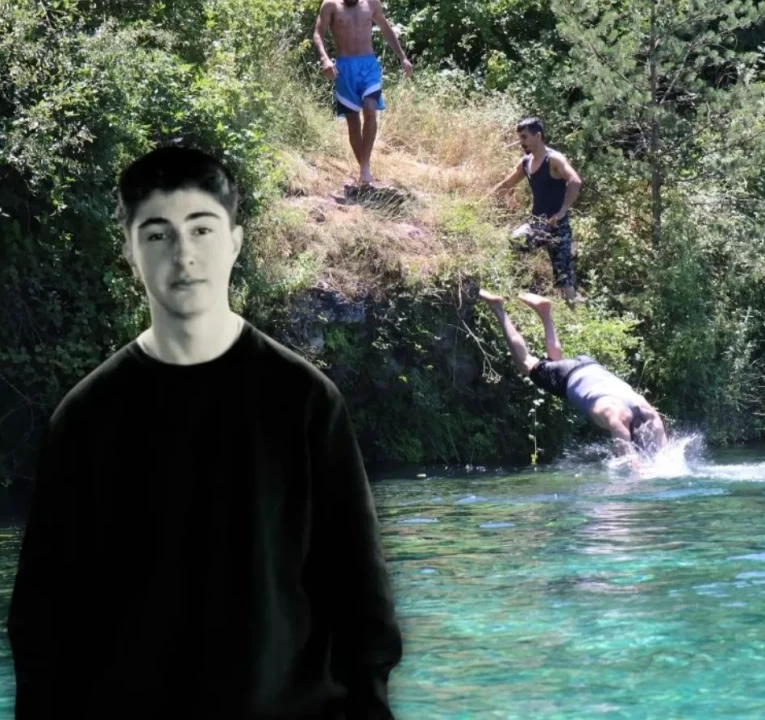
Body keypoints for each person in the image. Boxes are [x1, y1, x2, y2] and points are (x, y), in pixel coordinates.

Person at [5, 146, 403, 718]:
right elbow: (45, 624)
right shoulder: (86, 418)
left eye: (202, 228)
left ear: (235, 242)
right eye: (158, 234)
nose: (184, 254)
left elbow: (360, 602)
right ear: (130, 251)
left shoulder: (305, 401)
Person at [478, 289, 666, 464]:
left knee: (553, 361)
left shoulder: (647, 411)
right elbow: (631, 461)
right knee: (526, 362)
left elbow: (665, 453)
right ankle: (497, 308)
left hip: (590, 366)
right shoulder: (617, 418)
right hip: (570, 376)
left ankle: (544, 312)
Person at [313, 0, 413, 186]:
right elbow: (318, 34)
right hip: (344, 68)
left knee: (370, 108)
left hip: (369, 66)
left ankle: (365, 168)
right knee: (353, 121)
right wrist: (324, 59)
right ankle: (364, 172)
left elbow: (386, 28)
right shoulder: (330, 5)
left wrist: (403, 57)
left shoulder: (372, 3)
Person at [485, 117, 583, 301]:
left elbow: (575, 181)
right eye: (520, 138)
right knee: (514, 242)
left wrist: (562, 211)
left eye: (524, 137)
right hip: (536, 224)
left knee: (564, 280)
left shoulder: (553, 159)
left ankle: (577, 319)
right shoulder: (526, 162)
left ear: (538, 136)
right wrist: (481, 204)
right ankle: (515, 294)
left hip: (557, 227)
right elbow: (507, 183)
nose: (521, 142)